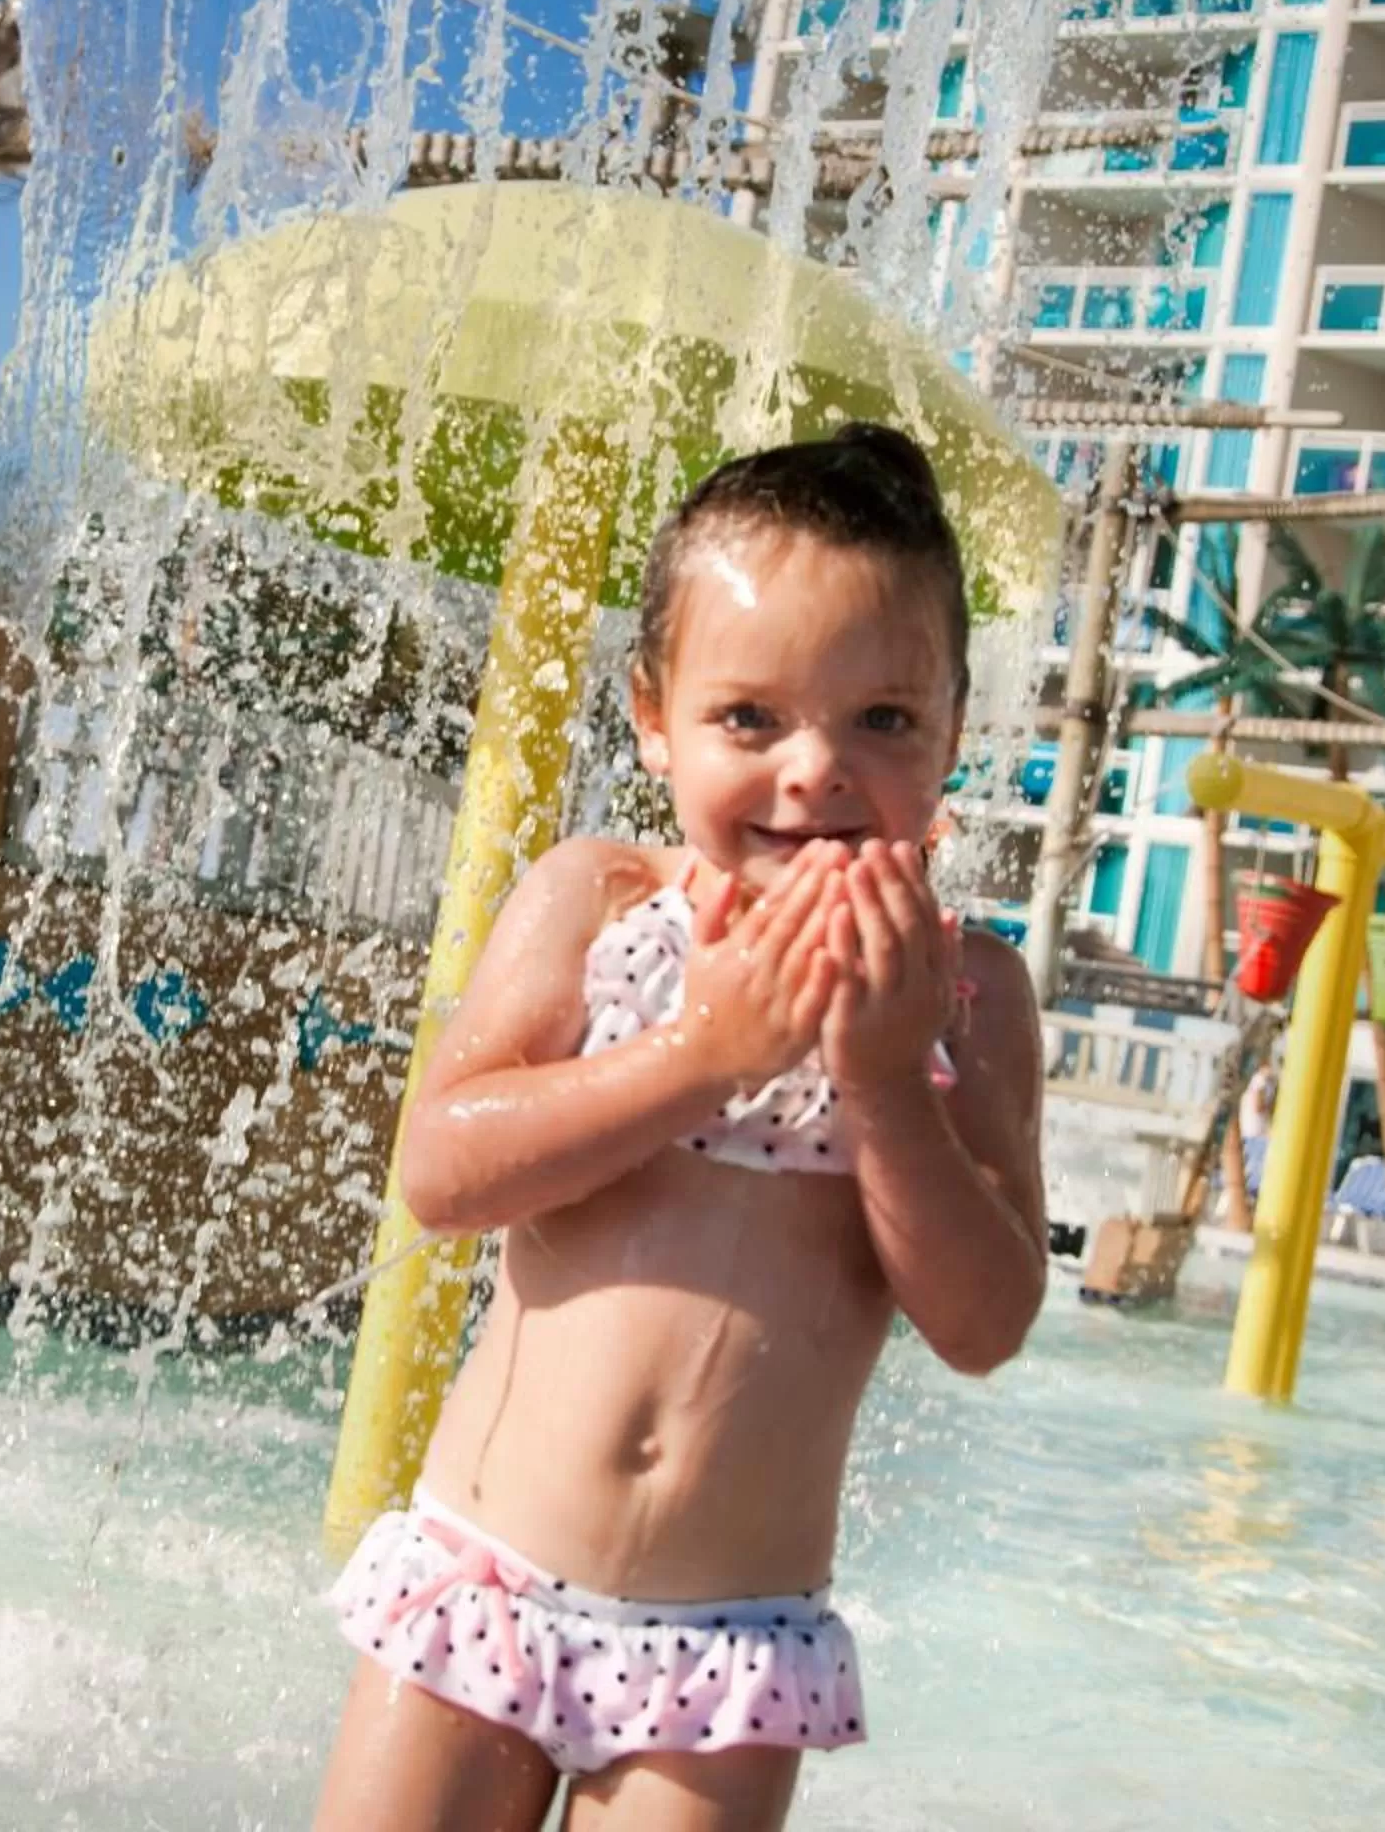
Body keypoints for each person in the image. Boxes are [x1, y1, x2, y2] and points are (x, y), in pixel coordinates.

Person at [312, 424, 1048, 1831]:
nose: (815, 770)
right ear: (655, 717)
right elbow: (444, 1172)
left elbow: (985, 1322)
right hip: (485, 1579)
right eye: (750, 718)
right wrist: (696, 1056)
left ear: (954, 733)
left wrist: (888, 1085)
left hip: (723, 1654)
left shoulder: (967, 997)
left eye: (884, 721)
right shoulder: (598, 903)